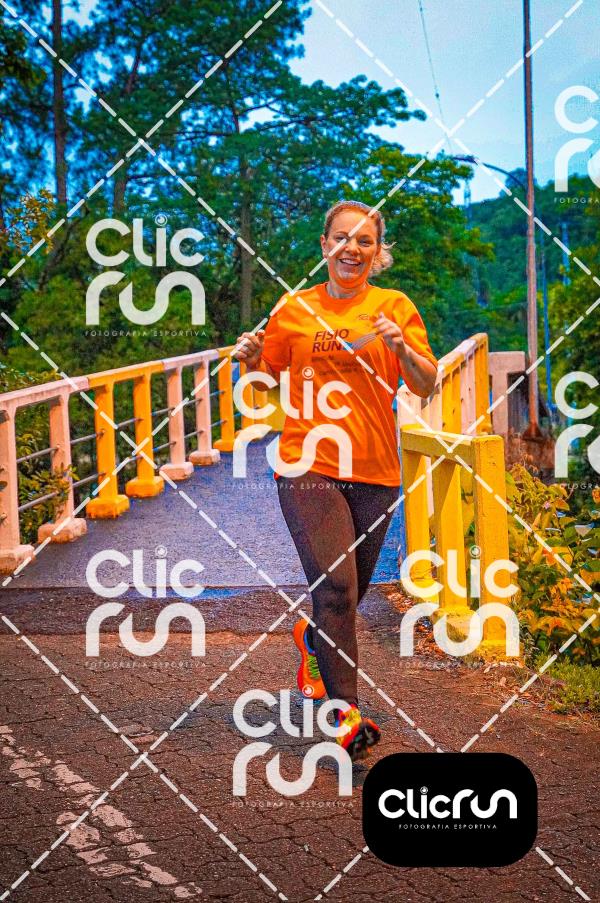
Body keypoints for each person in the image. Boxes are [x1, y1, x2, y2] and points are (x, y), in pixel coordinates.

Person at [234, 199, 438, 761]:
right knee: (337, 591)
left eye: (364, 240)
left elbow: (427, 384)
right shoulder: (295, 308)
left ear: (377, 252)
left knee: (348, 597)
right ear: (325, 245)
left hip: (376, 471)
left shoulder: (394, 306)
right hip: (307, 464)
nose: (352, 248)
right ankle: (345, 716)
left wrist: (400, 346)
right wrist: (251, 359)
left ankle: (312, 640)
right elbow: (263, 386)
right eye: (342, 238)